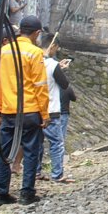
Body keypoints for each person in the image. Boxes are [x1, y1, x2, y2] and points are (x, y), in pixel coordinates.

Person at [0, 15, 48, 206]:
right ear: (37, 33)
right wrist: (45, 114)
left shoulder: (2, 52)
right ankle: (26, 193)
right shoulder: (34, 52)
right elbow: (40, 85)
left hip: (7, 110)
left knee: (3, 151)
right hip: (30, 110)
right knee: (31, 151)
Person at [38, 34, 74, 184]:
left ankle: (36, 172)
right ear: (52, 46)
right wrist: (62, 69)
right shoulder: (52, 64)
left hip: (34, 108)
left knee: (37, 143)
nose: (56, 51)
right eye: (56, 48)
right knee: (57, 143)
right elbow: (64, 84)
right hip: (51, 108)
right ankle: (57, 174)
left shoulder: (34, 59)